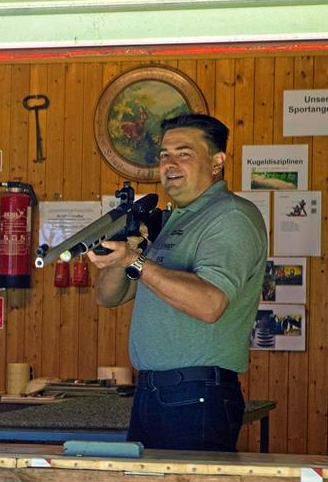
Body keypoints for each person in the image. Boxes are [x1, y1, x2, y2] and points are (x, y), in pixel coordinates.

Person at [89, 113, 267, 452]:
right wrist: (122, 252)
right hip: (152, 391)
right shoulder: (174, 220)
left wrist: (134, 260)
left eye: (183, 152)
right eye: (164, 155)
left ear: (217, 162)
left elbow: (210, 304)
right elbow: (109, 297)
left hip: (197, 392)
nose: (170, 163)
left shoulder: (231, 216)